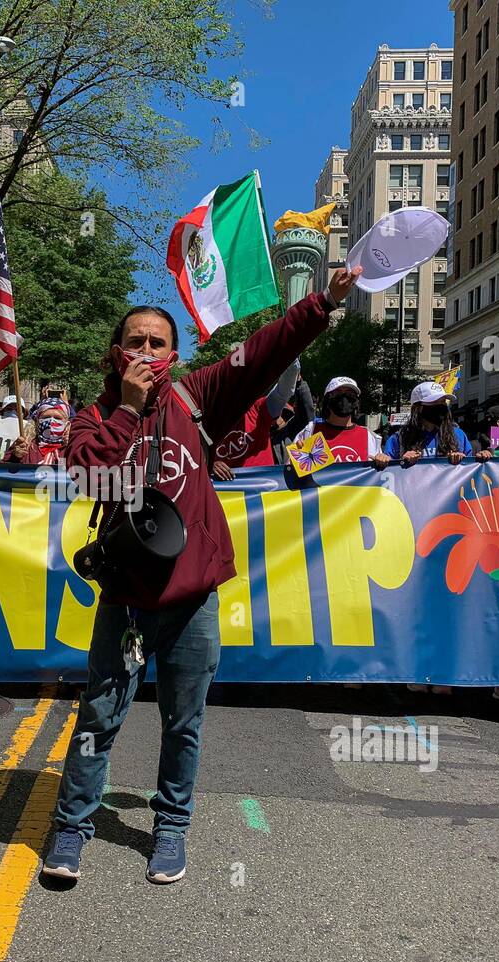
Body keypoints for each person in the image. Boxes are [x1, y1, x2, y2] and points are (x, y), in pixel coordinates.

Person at [42, 266, 361, 885]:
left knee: (182, 722)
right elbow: (90, 476)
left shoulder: (197, 397)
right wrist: (130, 409)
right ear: (116, 354)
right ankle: (72, 827)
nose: (146, 352)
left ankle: (171, 828)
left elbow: (263, 352)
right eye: (134, 343)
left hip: (192, 600)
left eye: (157, 343)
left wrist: (323, 303)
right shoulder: (94, 416)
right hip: (127, 600)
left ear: (174, 354)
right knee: (98, 717)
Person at [210, 362, 301, 478]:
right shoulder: (206, 428)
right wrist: (210, 466)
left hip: (268, 489)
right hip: (233, 494)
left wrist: (292, 352)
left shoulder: (257, 410)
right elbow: (192, 463)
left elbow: (284, 391)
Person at [384, 381, 471, 464]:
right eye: (434, 402)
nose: (441, 406)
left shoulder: (457, 434)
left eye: (443, 401)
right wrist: (399, 461)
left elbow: (471, 470)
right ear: (418, 408)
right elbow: (387, 471)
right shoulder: (399, 439)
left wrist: (463, 460)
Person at [308, 376, 388, 466]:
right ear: (327, 399)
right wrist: (294, 460)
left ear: (356, 402)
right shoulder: (311, 431)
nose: (343, 398)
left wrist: (382, 461)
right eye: (337, 393)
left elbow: (375, 476)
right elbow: (294, 472)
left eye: (350, 394)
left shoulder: (369, 437)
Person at [6, 395, 69, 464]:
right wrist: (15, 457)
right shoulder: (25, 444)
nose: (51, 421)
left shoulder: (71, 447)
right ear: (37, 421)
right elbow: (2, 471)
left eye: (57, 418)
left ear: (66, 423)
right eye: (46, 417)